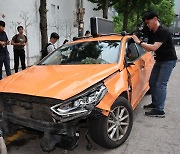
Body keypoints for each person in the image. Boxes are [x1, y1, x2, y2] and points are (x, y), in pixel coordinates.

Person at [132, 11, 177, 118]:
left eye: (148, 22)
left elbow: (153, 48)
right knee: (152, 82)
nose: (148, 25)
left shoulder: (163, 31)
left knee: (161, 84)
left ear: (155, 19)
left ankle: (160, 110)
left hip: (168, 60)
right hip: (160, 60)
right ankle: (155, 103)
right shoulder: (153, 32)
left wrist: (138, 42)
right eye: (146, 23)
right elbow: (148, 47)